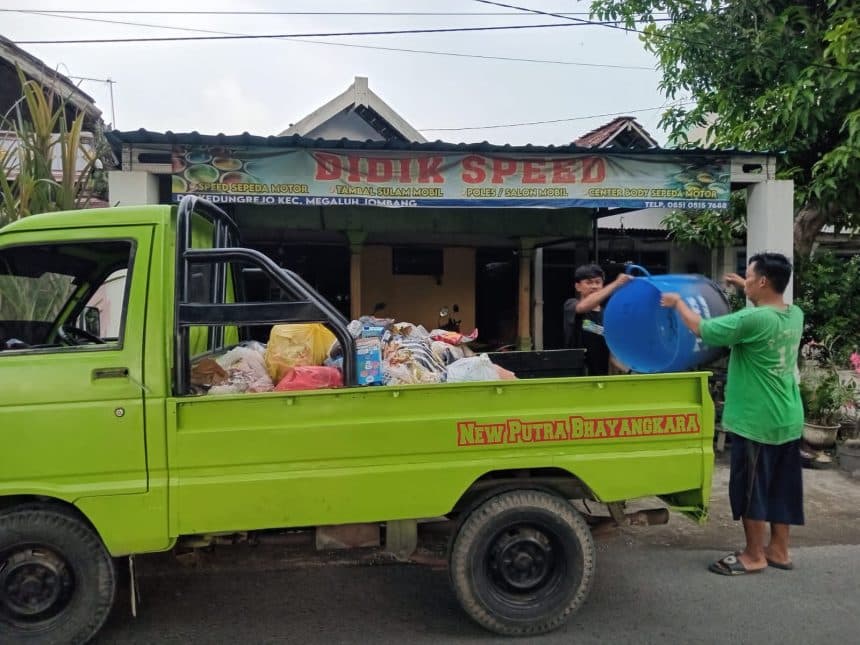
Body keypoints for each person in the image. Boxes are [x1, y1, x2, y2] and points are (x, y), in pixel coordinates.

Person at [660, 252, 804, 576]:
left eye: (749, 275)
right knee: (781, 487)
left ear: (764, 281)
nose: (746, 279)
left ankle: (754, 555)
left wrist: (677, 303)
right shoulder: (794, 314)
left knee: (751, 489)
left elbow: (702, 328)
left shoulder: (751, 321)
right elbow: (765, 311)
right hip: (788, 417)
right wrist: (744, 286)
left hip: (756, 421)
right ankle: (779, 549)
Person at [563, 264, 632, 376]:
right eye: (589, 282)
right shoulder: (571, 305)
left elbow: (612, 355)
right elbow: (582, 307)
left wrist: (632, 371)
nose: (594, 286)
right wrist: (616, 283)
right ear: (578, 286)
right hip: (574, 376)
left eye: (598, 282)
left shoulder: (608, 315)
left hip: (599, 378)